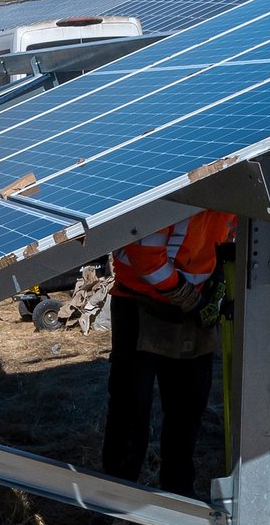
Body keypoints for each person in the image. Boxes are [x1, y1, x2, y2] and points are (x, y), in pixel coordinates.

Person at [101, 209, 236, 501]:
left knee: (188, 406)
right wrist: (189, 298)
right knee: (131, 406)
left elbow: (232, 232)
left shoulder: (230, 190)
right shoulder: (174, 192)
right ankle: (116, 497)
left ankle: (178, 493)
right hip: (138, 301)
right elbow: (145, 258)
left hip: (191, 301)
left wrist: (217, 287)